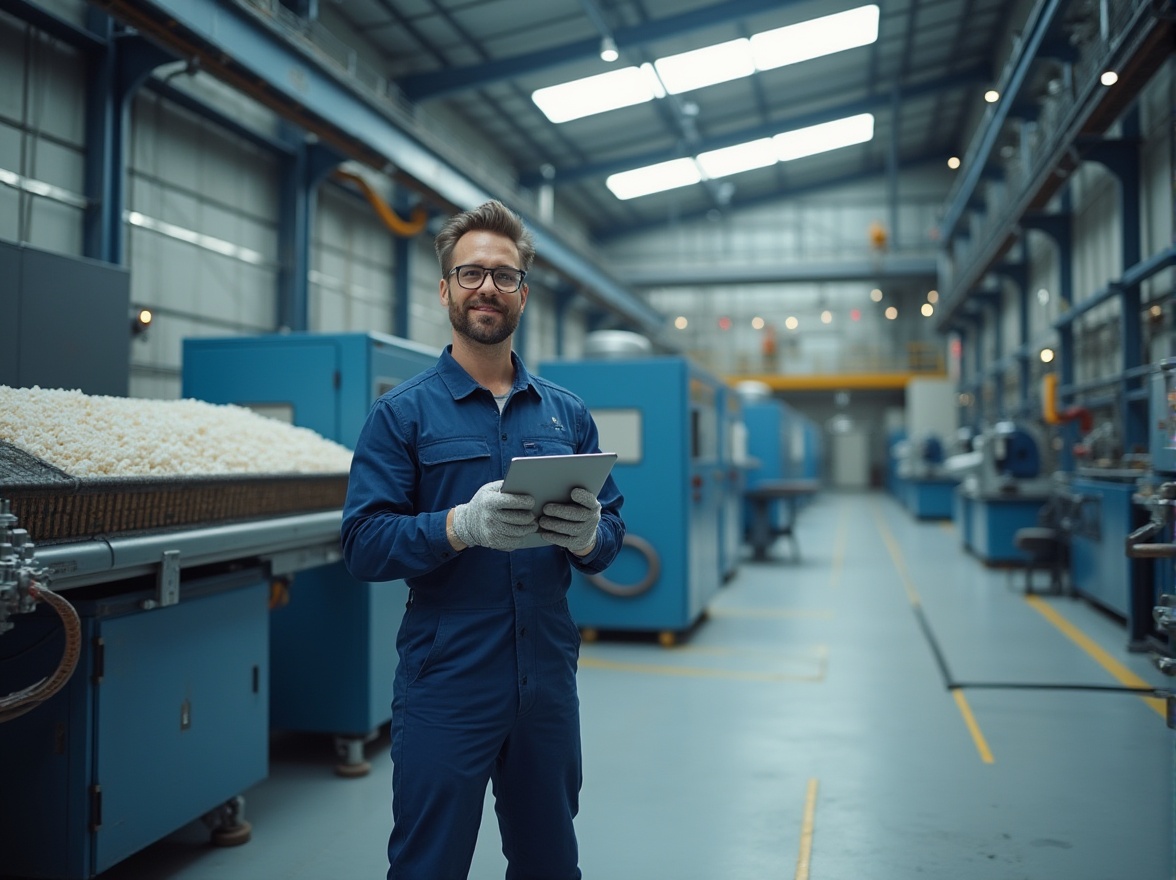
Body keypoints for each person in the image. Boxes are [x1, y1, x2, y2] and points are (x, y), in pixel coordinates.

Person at [340, 199, 625, 880]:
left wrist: (589, 536)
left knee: (550, 861)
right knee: (429, 864)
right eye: (470, 274)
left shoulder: (566, 413)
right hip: (448, 679)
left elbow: (612, 534)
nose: (487, 289)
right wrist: (457, 526)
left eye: (504, 275)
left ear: (523, 292)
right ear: (444, 290)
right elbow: (363, 542)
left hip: (547, 680)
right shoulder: (401, 415)